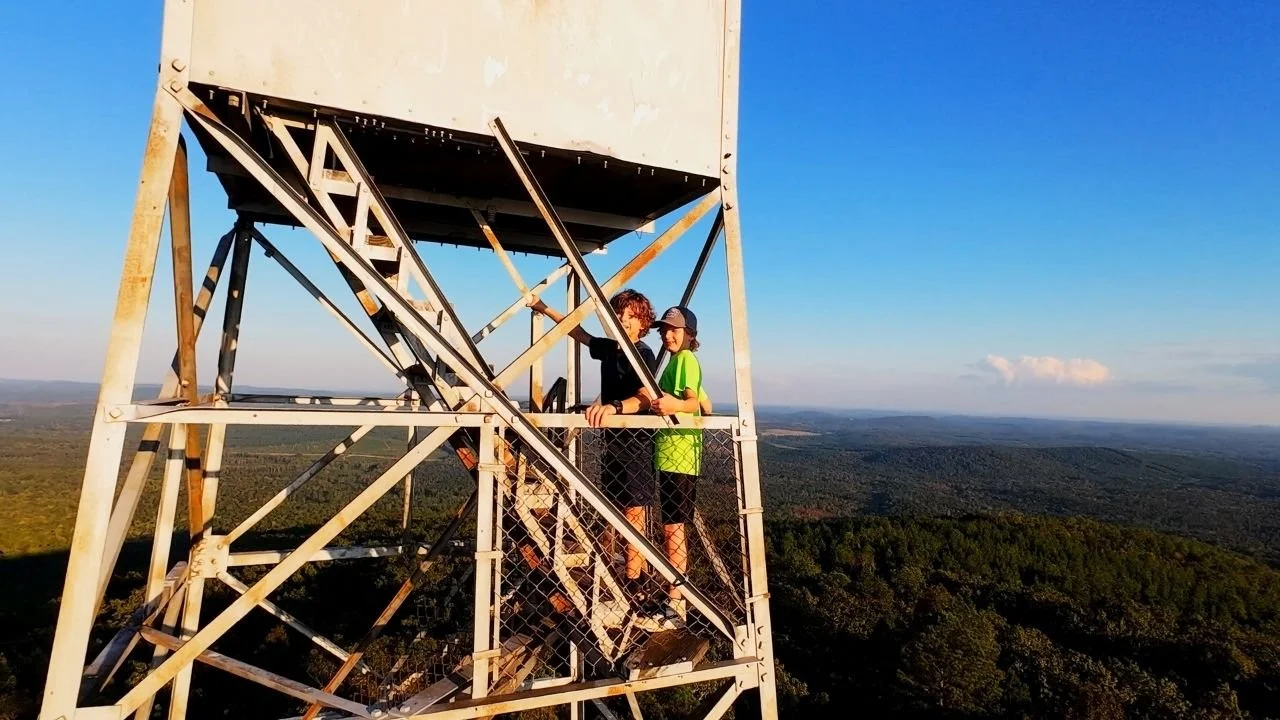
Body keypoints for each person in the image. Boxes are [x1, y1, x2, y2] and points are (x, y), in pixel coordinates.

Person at [528, 289, 657, 588]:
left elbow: (645, 397)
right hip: (612, 443)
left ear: (642, 322)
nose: (624, 321)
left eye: (631, 316)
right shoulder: (610, 348)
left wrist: (614, 407)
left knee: (632, 512)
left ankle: (633, 580)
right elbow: (577, 331)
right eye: (619, 315)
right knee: (612, 507)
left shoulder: (643, 354)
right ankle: (611, 566)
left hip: (636, 443)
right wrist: (544, 307)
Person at [648, 305, 707, 620]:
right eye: (664, 330)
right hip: (676, 453)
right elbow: (704, 402)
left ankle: (676, 599)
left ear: (690, 335)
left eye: (675, 330)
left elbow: (692, 402)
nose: (668, 335)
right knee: (673, 525)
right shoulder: (679, 362)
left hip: (678, 454)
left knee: (673, 527)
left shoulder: (685, 359)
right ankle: (675, 594)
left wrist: (673, 404)